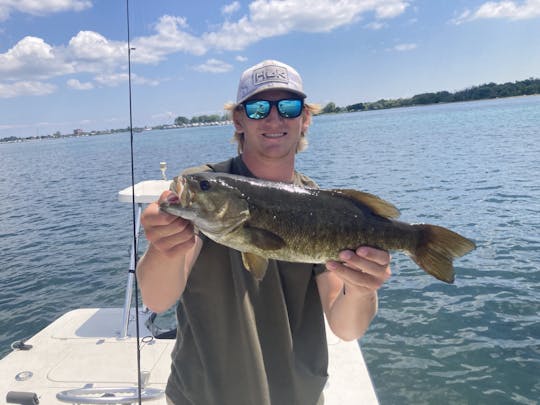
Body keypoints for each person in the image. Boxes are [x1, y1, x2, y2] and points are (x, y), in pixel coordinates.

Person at [136, 60, 392, 405]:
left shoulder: (324, 206)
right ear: (238, 120)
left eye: (288, 107)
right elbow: (157, 299)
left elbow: (346, 328)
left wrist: (362, 288)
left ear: (305, 119)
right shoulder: (203, 190)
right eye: (258, 108)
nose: (274, 119)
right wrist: (164, 246)